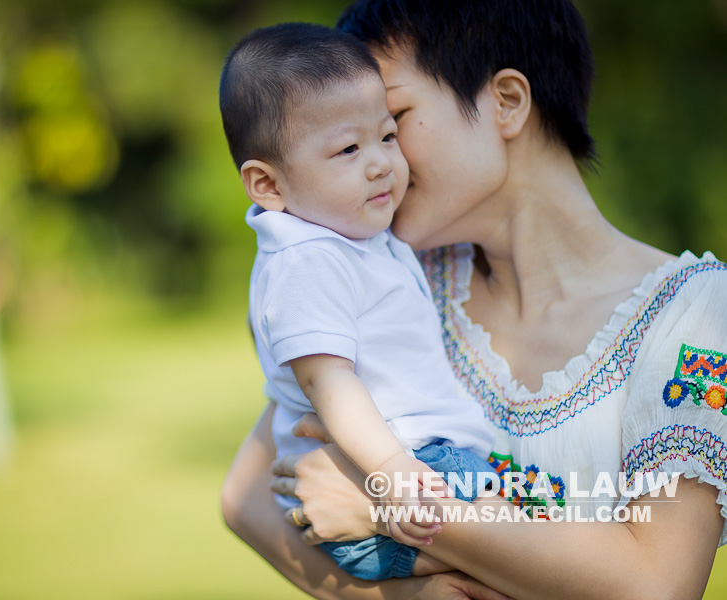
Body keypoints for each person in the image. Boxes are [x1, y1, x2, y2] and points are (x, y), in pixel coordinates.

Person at [221, 1, 727, 599]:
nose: (385, 160)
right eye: (347, 142)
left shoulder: (698, 320)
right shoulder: (404, 281)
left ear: (507, 102)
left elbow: (656, 585)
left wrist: (392, 511)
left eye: (394, 118)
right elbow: (249, 496)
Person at [219, 22, 497, 582]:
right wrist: (391, 472)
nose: (380, 163)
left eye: (388, 136)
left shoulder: (349, 240)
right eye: (348, 148)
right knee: (538, 544)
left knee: (519, 550)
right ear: (268, 186)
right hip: (399, 465)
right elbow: (328, 381)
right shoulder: (306, 261)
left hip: (412, 460)